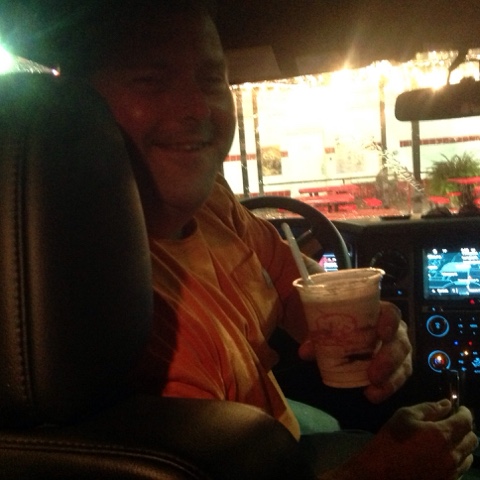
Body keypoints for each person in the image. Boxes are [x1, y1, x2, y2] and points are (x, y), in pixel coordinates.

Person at [13, 1, 477, 478]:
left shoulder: (211, 201)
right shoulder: (108, 304)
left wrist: (359, 322)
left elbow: (294, 282)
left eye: (212, 79)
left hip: (264, 439)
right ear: (75, 107)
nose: (199, 108)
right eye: (151, 80)